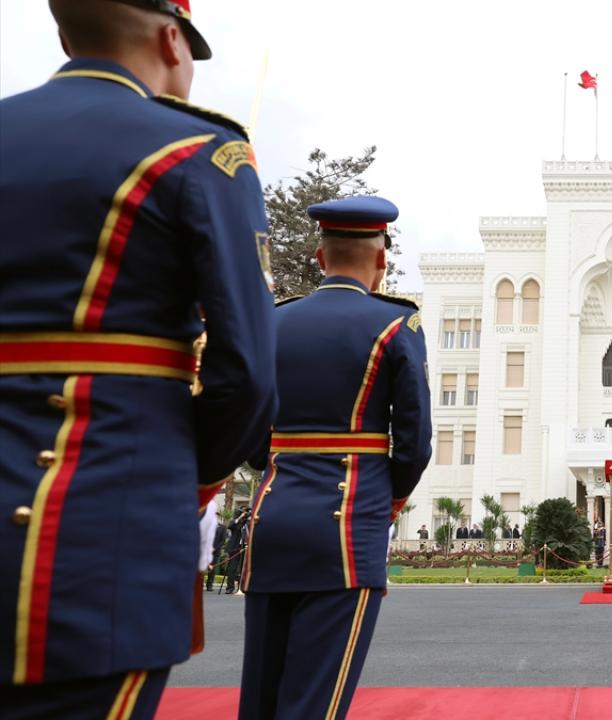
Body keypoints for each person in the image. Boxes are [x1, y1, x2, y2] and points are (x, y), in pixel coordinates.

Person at [0, 2, 276, 716]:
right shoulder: (196, 152)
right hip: (94, 533)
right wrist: (194, 480)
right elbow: (245, 370)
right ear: (170, 38)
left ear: (66, 34)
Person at [238, 196, 432, 720]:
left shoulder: (272, 324)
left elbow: (252, 433)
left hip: (272, 517)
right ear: (381, 260)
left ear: (320, 258)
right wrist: (390, 502)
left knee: (261, 695)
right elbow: (413, 443)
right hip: (345, 527)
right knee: (315, 700)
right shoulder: (395, 326)